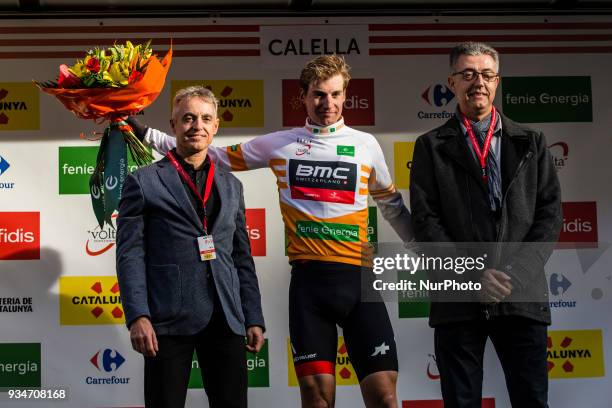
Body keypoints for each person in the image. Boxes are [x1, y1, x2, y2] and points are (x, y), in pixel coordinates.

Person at [129, 55, 412, 408]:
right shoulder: (281, 143)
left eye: (336, 94)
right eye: (319, 95)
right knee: (317, 398)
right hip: (310, 283)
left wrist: (422, 246)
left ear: (346, 95)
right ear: (304, 98)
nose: (328, 103)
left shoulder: (366, 144)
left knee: (385, 396)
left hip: (359, 280)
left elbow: (392, 205)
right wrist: (142, 130)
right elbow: (207, 152)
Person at [410, 42, 562, 408]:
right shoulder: (430, 146)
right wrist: (475, 275)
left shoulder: (532, 142)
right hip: (458, 297)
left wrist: (512, 274)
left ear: (497, 82)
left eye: (486, 74)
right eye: (467, 74)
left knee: (532, 400)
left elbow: (549, 215)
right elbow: (426, 222)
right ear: (452, 82)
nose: (477, 81)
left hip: (521, 294)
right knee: (461, 402)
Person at [116, 86, 265, 408]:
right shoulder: (142, 182)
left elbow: (242, 257)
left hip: (226, 316)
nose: (196, 125)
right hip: (167, 318)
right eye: (188, 118)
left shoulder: (232, 185)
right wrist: (137, 316)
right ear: (173, 125)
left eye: (205, 118)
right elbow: (129, 254)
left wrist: (253, 316)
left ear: (215, 127)